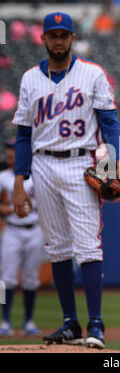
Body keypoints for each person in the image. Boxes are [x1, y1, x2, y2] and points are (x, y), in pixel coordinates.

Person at [13, 12, 120, 349]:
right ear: (44, 39)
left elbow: (110, 122)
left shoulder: (91, 73)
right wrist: (21, 181)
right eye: (53, 35)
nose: (59, 40)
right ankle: (69, 323)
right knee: (58, 248)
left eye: (64, 35)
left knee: (87, 247)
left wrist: (118, 161)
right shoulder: (30, 78)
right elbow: (22, 135)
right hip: (43, 164)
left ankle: (95, 324)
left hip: (81, 162)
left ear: (73, 38)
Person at [0, 142, 43, 337]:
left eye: (14, 156)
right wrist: (7, 209)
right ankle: (5, 321)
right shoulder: (3, 178)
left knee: (30, 279)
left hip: (34, 229)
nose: (11, 160)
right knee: (5, 279)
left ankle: (28, 321)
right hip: (12, 229)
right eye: (9, 157)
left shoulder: (37, 176)